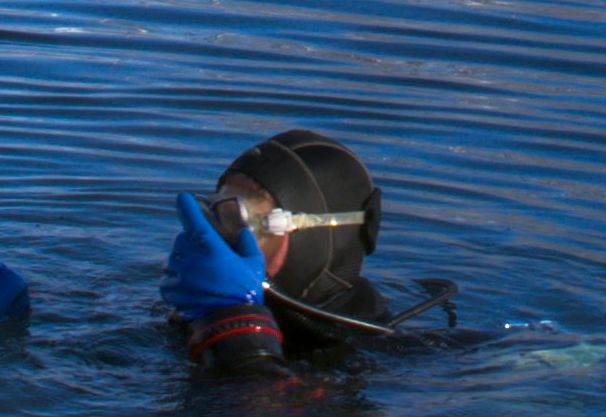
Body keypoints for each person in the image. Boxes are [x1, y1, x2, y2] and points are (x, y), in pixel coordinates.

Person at [160, 129, 438, 365]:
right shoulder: (198, 312)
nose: (224, 239)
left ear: (312, 241)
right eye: (219, 214)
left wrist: (236, 329)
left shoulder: (370, 358)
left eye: (246, 222)